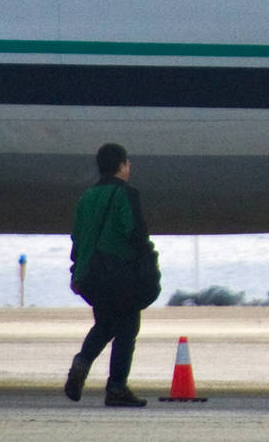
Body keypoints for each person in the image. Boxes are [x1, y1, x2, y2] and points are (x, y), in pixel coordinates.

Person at [65, 142, 159, 407]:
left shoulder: (86, 197)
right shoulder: (126, 194)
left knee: (105, 324)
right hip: (119, 274)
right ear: (121, 166)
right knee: (128, 327)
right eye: (127, 163)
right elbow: (136, 234)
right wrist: (149, 264)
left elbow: (77, 238)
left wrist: (76, 271)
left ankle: (81, 363)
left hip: (90, 275)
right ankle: (116, 388)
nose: (130, 167)